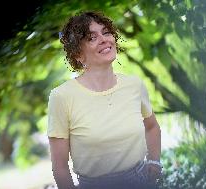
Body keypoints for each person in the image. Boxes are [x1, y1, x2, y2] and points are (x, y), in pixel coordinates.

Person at [47, 11, 162, 189]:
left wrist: (154, 162)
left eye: (106, 32)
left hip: (141, 182)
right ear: (78, 54)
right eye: (92, 38)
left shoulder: (134, 85)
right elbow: (60, 167)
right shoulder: (61, 97)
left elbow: (152, 127)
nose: (104, 39)